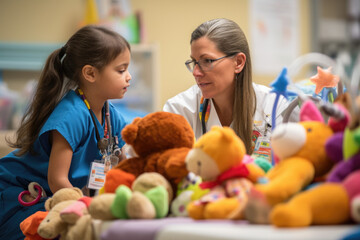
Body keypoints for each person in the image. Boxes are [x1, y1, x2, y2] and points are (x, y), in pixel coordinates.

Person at [0, 25, 131, 239]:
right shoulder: (72, 115)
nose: (129, 77)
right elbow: (57, 180)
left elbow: (125, 168)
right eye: (121, 70)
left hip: (57, 195)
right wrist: (86, 206)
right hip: (19, 194)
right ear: (90, 73)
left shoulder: (110, 115)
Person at [163, 18, 295, 156]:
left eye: (207, 60)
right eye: (194, 62)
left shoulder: (275, 107)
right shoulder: (179, 110)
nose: (196, 72)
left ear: (238, 62)